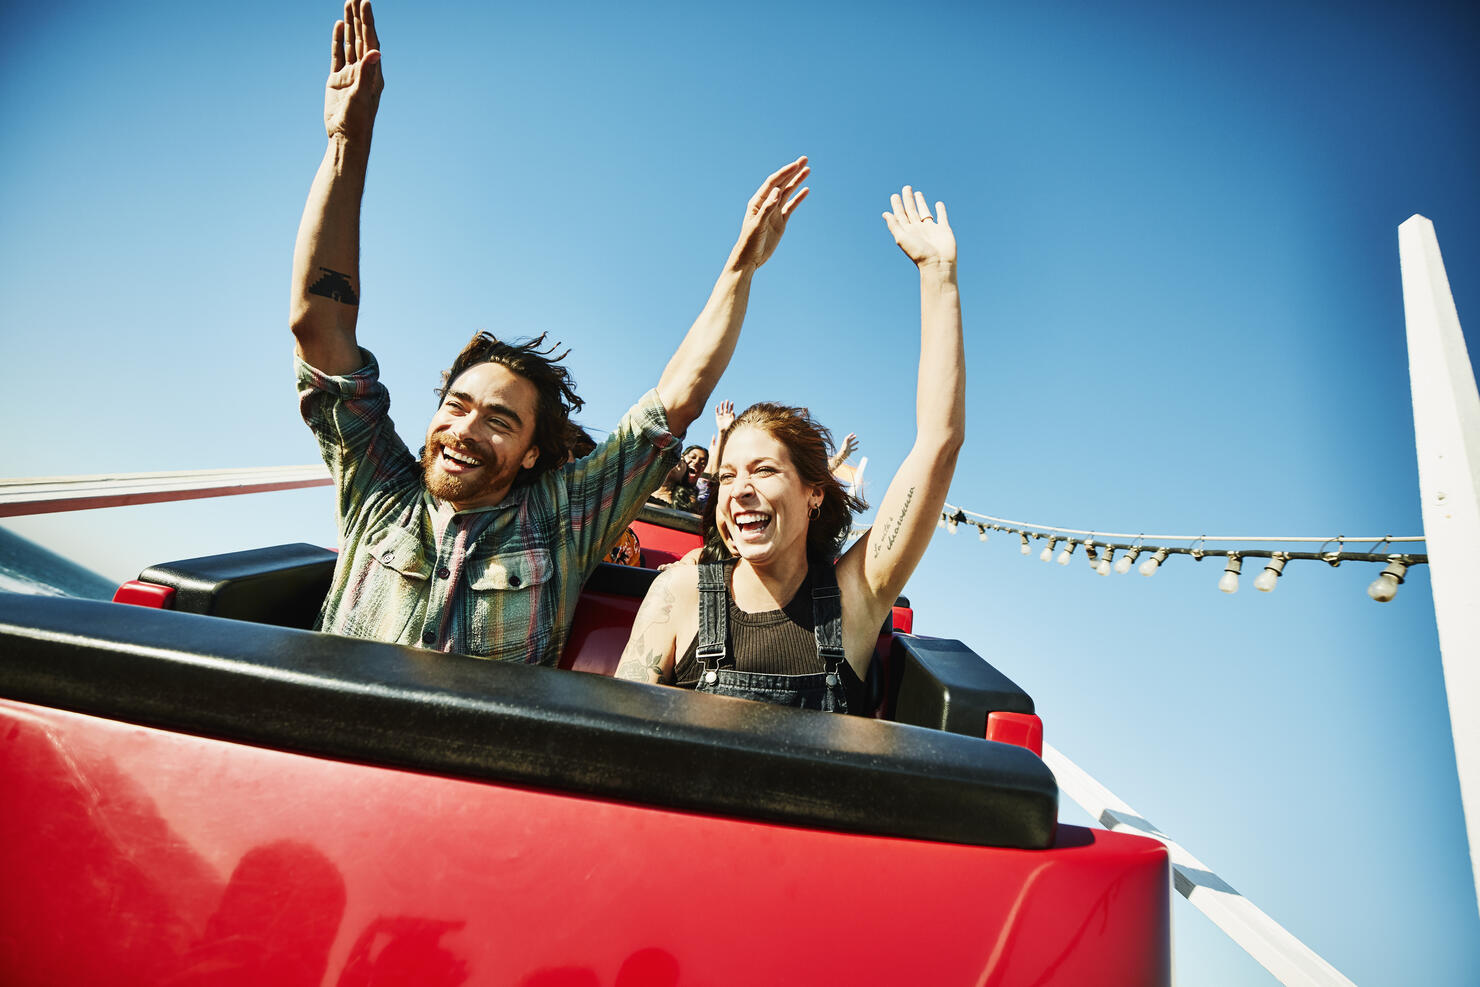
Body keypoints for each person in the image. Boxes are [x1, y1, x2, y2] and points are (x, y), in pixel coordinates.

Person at [291, 1, 808, 663]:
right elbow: (319, 323)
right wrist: (347, 144)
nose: (466, 429)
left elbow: (676, 400)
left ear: (535, 452)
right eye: (457, 406)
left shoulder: (560, 522)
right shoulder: (377, 484)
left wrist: (741, 263)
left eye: (500, 421)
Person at [615, 186, 964, 713]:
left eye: (762, 470)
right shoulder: (680, 591)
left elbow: (939, 443)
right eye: (728, 476)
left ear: (813, 494)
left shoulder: (857, 596)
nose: (740, 491)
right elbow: (616, 739)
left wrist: (938, 276)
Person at [648, 445, 709, 513]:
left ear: (683, 477)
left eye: (682, 461)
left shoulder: (687, 503)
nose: (676, 462)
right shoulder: (640, 484)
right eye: (692, 457)